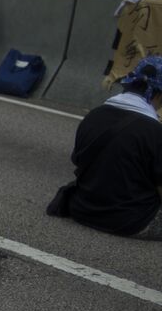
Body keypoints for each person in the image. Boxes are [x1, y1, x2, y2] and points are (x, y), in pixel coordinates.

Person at [48, 56, 162, 241]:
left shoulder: (94, 115)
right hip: (130, 222)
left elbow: (78, 161)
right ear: (157, 94)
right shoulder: (155, 131)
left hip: (82, 210)